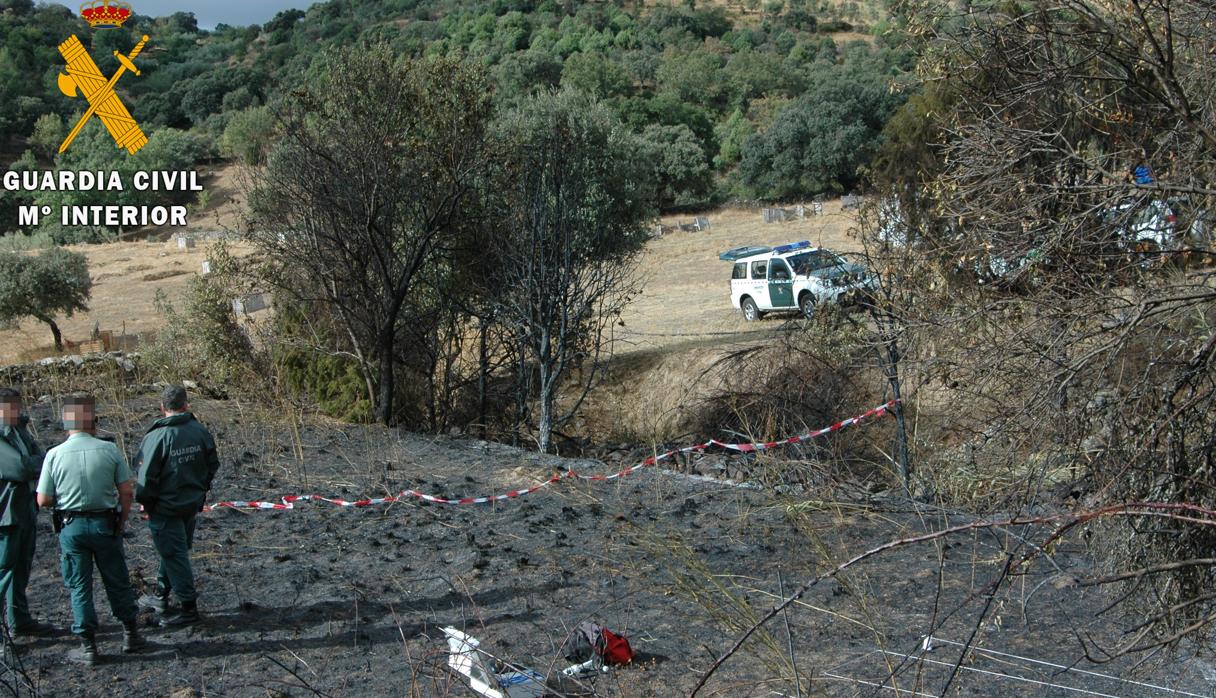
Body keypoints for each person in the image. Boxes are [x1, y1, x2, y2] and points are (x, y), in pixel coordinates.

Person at [36, 395, 146, 666]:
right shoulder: (109, 450)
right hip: (105, 524)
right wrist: (121, 521)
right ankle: (130, 635)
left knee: (79, 586)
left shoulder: (54, 455)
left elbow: (43, 499)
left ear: (66, 423)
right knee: (117, 579)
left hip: (71, 527)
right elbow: (126, 491)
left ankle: (89, 647)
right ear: (92, 422)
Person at [135, 385, 219, 627]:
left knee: (174, 553)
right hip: (191, 504)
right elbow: (212, 464)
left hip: (165, 507)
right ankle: (161, 595)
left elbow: (145, 478)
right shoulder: (200, 431)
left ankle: (189, 608)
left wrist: (147, 503)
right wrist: (198, 489)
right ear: (186, 405)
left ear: (162, 408)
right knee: (174, 550)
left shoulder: (156, 437)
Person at [0, 387, 52, 642]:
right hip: (5, 516)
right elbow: (21, 468)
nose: (16, 411)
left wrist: (36, 463)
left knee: (21, 568)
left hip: (24, 509)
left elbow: (42, 459)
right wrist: (36, 464)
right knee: (3, 572)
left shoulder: (19, 431)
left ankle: (19, 620)